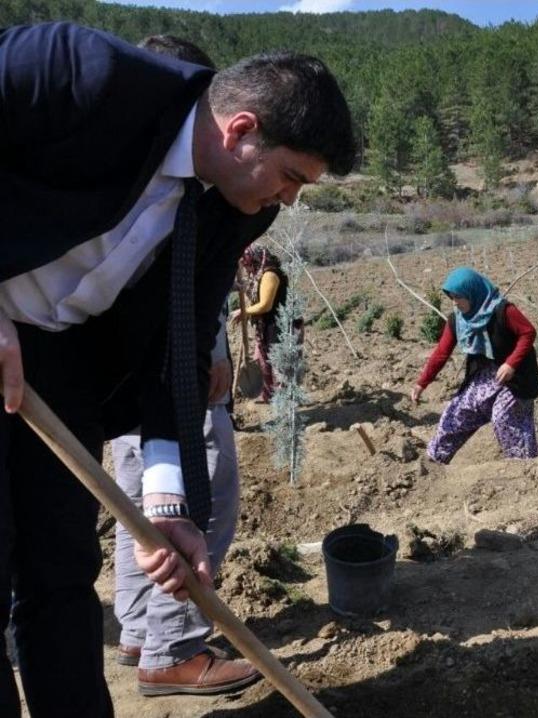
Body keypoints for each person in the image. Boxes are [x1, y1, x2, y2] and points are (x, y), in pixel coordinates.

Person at [0, 21, 355, 716]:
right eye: (290, 177)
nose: (289, 201)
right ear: (240, 129)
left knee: (62, 574)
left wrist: (169, 506)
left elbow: (177, 347)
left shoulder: (234, 209)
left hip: (59, 357)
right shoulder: (82, 74)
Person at [108, 34, 255, 698]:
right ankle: (170, 650)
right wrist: (214, 354)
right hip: (165, 380)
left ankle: (141, 630)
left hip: (128, 381)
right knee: (201, 495)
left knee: (138, 498)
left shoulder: (135, 166)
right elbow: (177, 292)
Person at [411, 267, 538, 463]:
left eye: (459, 297)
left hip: (517, 375)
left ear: (473, 293)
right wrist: (422, 382)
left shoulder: (503, 311)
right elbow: (441, 352)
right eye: (452, 297)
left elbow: (528, 333)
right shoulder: (458, 320)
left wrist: (511, 364)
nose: (455, 302)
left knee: (503, 417)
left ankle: (524, 466)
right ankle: (435, 460)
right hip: (485, 373)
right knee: (457, 411)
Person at [231, 246, 297, 402]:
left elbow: (265, 305)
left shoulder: (270, 274)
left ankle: (285, 401)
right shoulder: (257, 275)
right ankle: (267, 395)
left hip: (280, 324)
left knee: (279, 363)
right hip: (266, 325)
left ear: (256, 259)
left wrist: (244, 311)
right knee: (261, 361)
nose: (246, 268)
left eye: (247, 264)